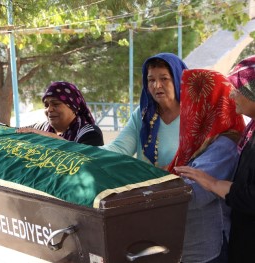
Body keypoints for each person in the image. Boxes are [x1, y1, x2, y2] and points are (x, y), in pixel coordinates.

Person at [175, 56, 255, 262]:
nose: (232, 94)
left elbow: (250, 196)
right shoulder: (249, 132)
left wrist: (213, 183)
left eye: (239, 88)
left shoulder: (225, 144)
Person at [0, 81, 104, 146]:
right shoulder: (43, 127)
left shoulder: (89, 133)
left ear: (74, 107)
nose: (49, 109)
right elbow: (12, 131)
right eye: (46, 105)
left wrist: (45, 137)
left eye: (56, 104)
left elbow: (83, 158)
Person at [100, 53, 187, 168]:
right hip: (148, 185)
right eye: (151, 80)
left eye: (164, 79)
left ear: (178, 80)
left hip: (184, 186)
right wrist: (86, 152)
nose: (157, 85)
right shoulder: (143, 114)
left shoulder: (195, 117)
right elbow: (119, 149)